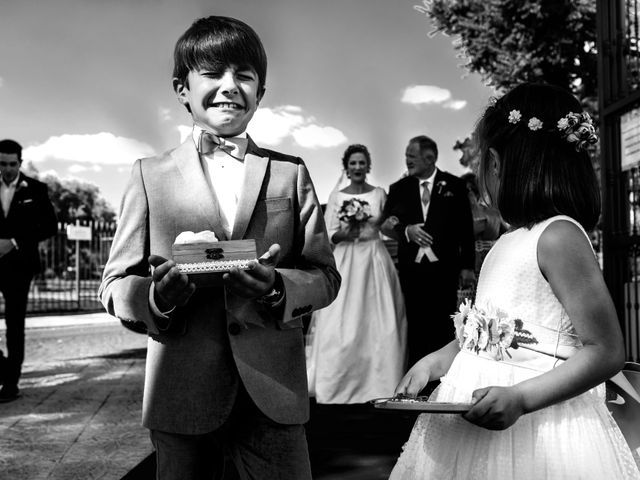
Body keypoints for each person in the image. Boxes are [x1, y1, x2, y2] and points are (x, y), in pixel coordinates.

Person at [99, 16, 340, 480]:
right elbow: (114, 282)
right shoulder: (149, 174)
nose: (230, 86)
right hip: (182, 392)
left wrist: (277, 287)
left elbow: (325, 275)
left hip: (274, 391)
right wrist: (156, 298)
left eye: (244, 76)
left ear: (261, 93)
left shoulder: (290, 172)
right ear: (182, 89)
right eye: (212, 73)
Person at [389, 83, 640, 479]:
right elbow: (488, 333)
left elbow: (605, 350)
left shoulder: (558, 237)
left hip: (538, 431)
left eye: (482, 164)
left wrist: (521, 399)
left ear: (497, 162)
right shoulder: (507, 241)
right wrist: (435, 362)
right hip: (475, 422)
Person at [306, 144, 407, 404]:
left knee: (379, 321)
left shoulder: (379, 194)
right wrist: (345, 233)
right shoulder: (337, 196)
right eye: (353, 163)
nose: (358, 167)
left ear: (368, 166)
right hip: (346, 262)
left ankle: (381, 382)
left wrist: (390, 225)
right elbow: (327, 235)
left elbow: (386, 228)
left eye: (362, 163)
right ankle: (338, 383)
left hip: (374, 259)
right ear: (347, 167)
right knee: (341, 320)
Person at [382, 135, 475, 368]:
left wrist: (467, 267)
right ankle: (415, 380)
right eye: (406, 156)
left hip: (445, 268)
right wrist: (406, 231)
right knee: (414, 324)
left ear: (430, 158)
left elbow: (466, 228)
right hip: (411, 270)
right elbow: (385, 223)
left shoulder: (455, 185)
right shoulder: (398, 188)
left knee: (443, 323)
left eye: (411, 156)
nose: (407, 161)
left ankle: (441, 381)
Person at [0, 139, 57, 403]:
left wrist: (13, 241)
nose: (8, 169)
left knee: (14, 325)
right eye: (2, 164)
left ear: (20, 163)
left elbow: (48, 226)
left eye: (12, 164)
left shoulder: (36, 189)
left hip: (19, 268)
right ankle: (2, 366)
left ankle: (10, 384)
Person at [460, 172, 508, 275]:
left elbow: (509, 237)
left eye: (472, 190)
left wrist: (492, 244)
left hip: (492, 268)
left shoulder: (494, 214)